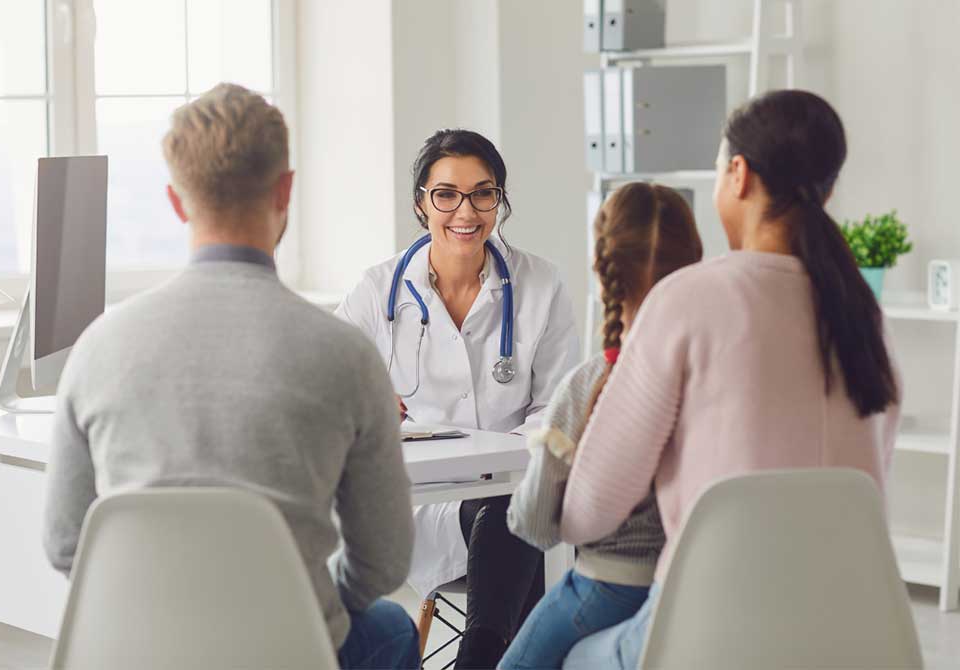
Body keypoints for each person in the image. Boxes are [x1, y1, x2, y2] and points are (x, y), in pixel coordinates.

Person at [42, 83, 419, 670]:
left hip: (140, 653)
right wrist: (303, 605)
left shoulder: (98, 347)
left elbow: (67, 545)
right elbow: (385, 562)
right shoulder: (344, 355)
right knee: (391, 626)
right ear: (285, 189)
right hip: (289, 651)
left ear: (175, 200)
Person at [558, 89, 902, 670]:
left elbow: (589, 509)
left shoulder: (686, 300)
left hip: (708, 633)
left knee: (572, 656)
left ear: (738, 175)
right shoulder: (864, 316)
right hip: (853, 631)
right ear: (828, 190)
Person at [335, 129, 580, 668]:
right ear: (421, 203)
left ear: (500, 200)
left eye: (483, 193)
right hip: (419, 508)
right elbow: (327, 388)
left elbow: (558, 409)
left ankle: (477, 658)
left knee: (513, 505)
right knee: (519, 527)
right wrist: (369, 406)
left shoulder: (541, 286)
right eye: (446, 194)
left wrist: (502, 459)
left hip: (515, 496)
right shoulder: (378, 292)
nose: (465, 211)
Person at [499, 182, 703, 669]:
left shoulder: (590, 385)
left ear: (602, 271)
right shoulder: (710, 382)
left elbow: (533, 526)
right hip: (686, 591)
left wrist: (540, 456)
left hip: (601, 590)